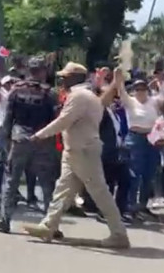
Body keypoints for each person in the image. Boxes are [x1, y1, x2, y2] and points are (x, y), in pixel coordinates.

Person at [24, 63, 130, 249]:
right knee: (62, 190)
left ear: (75, 78)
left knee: (100, 192)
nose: (62, 79)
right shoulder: (88, 95)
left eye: (65, 76)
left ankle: (119, 234)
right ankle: (48, 226)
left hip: (83, 150)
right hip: (76, 150)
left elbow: (64, 120)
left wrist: (39, 135)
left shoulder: (79, 96)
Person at [0, 57, 58, 233]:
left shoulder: (15, 91)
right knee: (47, 183)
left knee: (11, 180)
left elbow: (8, 118)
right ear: (43, 71)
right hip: (42, 140)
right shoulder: (49, 93)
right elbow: (55, 120)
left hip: (19, 138)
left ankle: (5, 219)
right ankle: (51, 224)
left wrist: (6, 140)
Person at [116, 75, 164, 220]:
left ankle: (143, 205)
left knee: (149, 174)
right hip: (135, 138)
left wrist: (160, 81)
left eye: (143, 88)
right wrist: (117, 77)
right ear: (133, 90)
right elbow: (121, 91)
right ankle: (131, 206)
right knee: (134, 174)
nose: (140, 91)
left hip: (151, 138)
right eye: (137, 89)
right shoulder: (130, 102)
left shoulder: (153, 102)